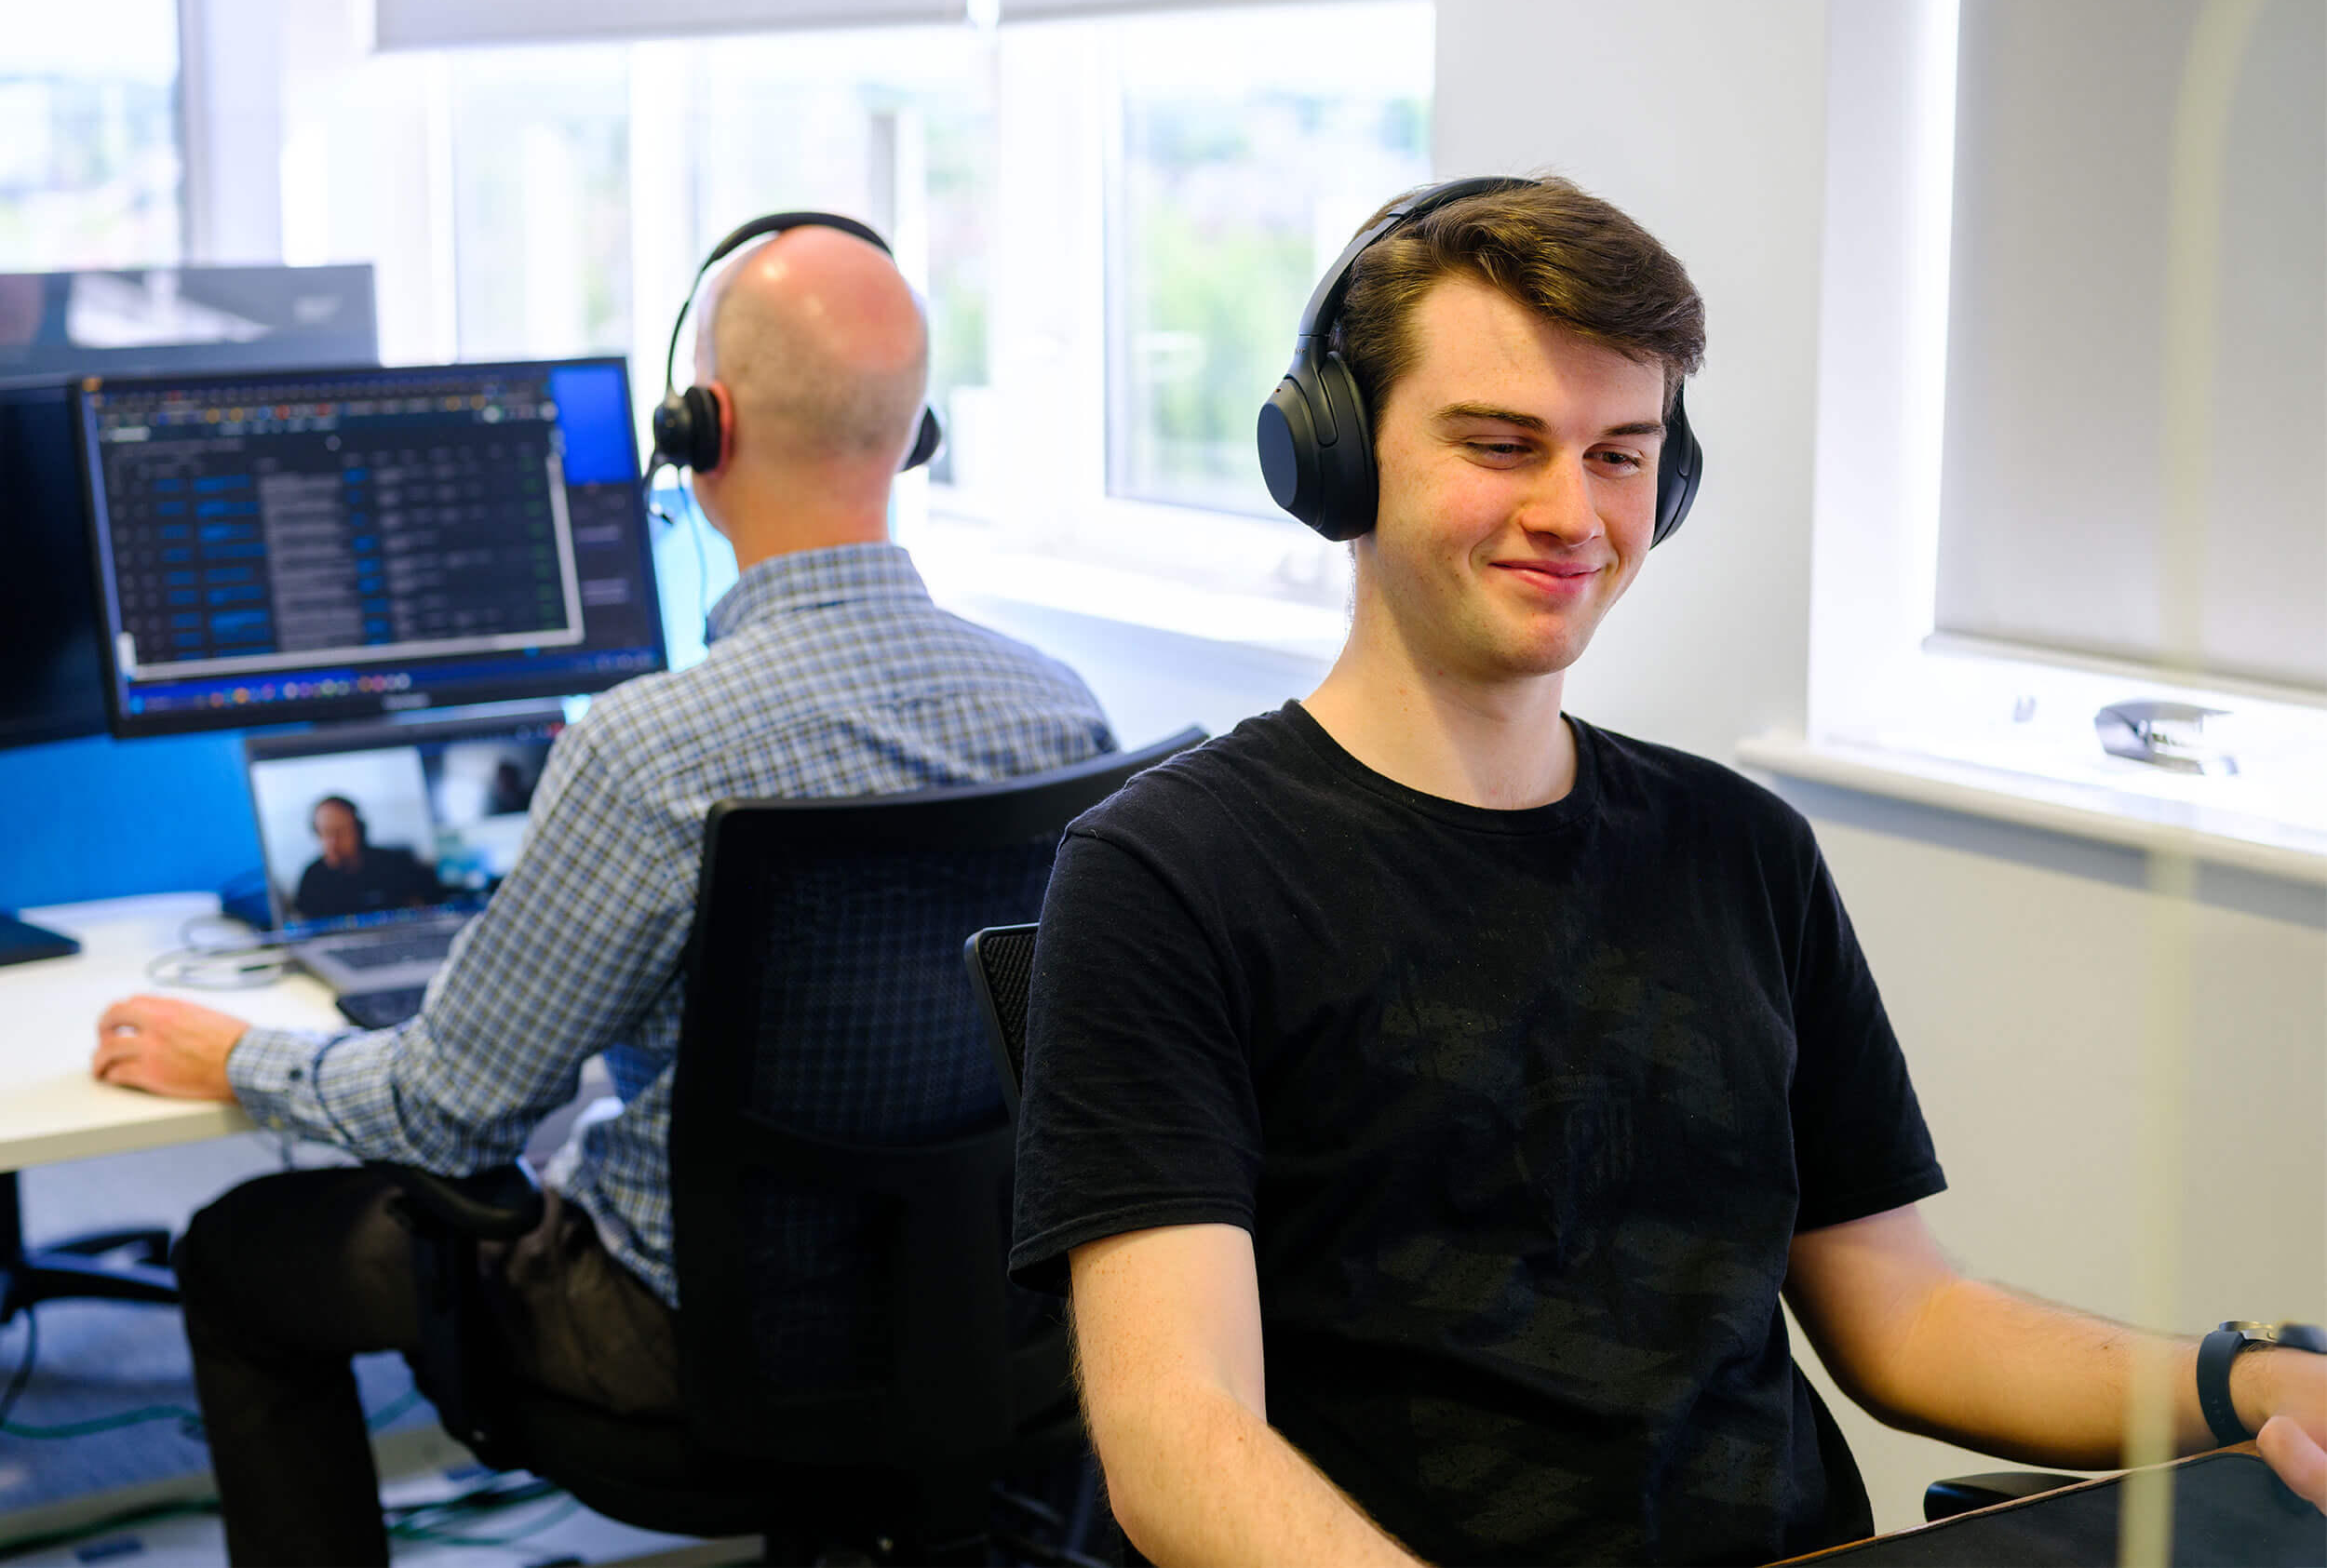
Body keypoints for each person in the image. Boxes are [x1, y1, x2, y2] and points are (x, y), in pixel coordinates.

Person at [1008, 176, 2327, 1565]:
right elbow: (1181, 1428)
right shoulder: (1168, 876)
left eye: (1620, 453)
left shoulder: (1741, 850)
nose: (1572, 511)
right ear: (1333, 457)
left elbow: (1905, 1316)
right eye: (1504, 443)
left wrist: (2240, 1376)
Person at [90, 221, 1116, 1567]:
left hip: (681, 1354)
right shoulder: (1065, 712)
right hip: (981, 1327)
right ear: (911, 433)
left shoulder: (652, 748)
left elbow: (446, 1109)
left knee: (239, 1256)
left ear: (706, 426)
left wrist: (242, 1051)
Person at [289, 795, 443, 920]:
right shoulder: (312, 877)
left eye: (340, 832)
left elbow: (428, 911)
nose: (332, 843)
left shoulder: (394, 866)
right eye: (325, 833)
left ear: (359, 831)